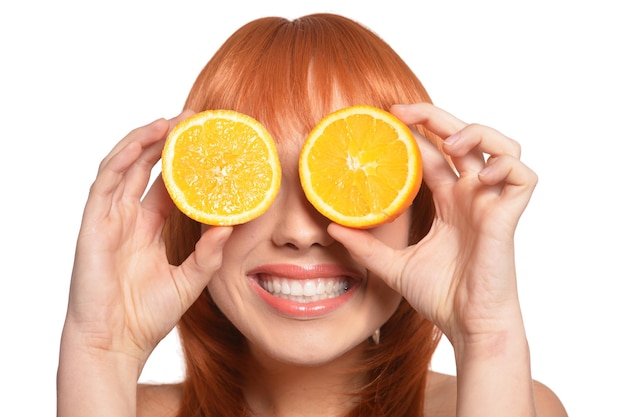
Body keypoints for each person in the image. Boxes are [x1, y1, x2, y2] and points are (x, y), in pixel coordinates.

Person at [57, 13, 568, 417]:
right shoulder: (115, 407)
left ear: (421, 214)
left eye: (346, 184)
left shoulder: (513, 403)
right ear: (195, 211)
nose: (302, 233)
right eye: (256, 180)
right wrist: (100, 352)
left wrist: (487, 334)